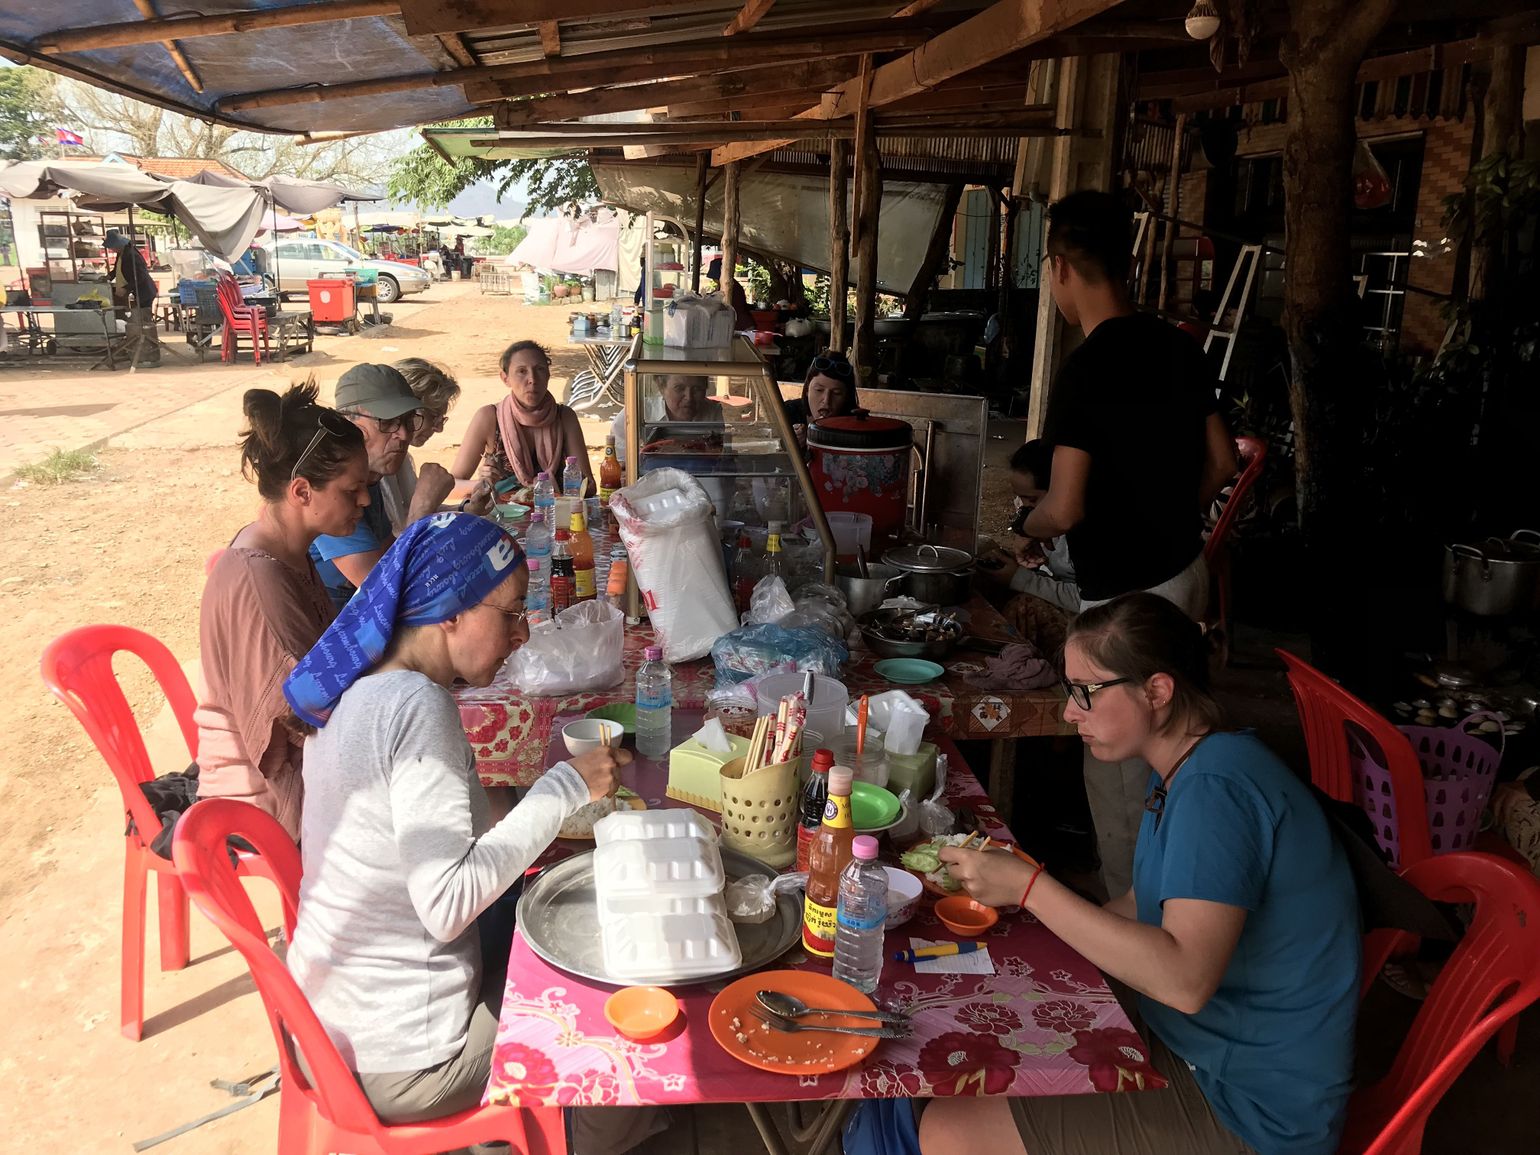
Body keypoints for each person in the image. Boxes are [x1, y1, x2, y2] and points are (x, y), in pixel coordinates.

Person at [921, 593, 1360, 1155]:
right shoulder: (1186, 764)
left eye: (1086, 691)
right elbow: (1138, 905)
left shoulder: (1216, 790)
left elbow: (1183, 981)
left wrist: (1030, 889)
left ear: (1157, 691)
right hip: (1190, 1039)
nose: (1070, 711)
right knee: (978, 1033)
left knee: (952, 1129)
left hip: (1248, 1100)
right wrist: (1021, 930)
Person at [283, 514, 663, 1154]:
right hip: (406, 1060)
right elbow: (447, 903)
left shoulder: (358, 683)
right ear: (450, 612)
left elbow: (426, 829)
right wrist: (563, 789)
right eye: (510, 613)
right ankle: (583, 1139)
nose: (522, 634)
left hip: (335, 1026)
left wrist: (536, 799)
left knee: (543, 904)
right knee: (616, 978)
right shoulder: (417, 707)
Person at [1015, 191, 1239, 896]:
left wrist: (1021, 530)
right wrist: (1168, 514)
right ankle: (1180, 893)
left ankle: (1136, 926)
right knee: (1176, 754)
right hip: (1187, 574)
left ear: (1060, 267)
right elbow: (1224, 462)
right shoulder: (1180, 347)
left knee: (1119, 778)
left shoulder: (1086, 368)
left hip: (1126, 605)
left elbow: (1065, 505)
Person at [193, 381, 371, 839]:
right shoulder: (260, 578)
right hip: (256, 803)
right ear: (302, 491)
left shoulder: (287, 550)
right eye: (353, 490)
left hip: (294, 773)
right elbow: (301, 718)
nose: (365, 501)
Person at [309, 364, 457, 609]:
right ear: (349, 423)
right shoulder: (328, 487)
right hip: (331, 618)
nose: (404, 434)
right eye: (387, 422)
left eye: (408, 421)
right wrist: (422, 508)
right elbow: (383, 594)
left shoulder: (372, 478)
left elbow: (389, 555)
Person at [451, 340, 593, 493]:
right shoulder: (489, 417)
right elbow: (451, 486)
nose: (532, 379)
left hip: (552, 507)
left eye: (540, 369)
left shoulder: (564, 417)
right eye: (522, 371)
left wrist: (576, 485)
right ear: (505, 378)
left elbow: (588, 485)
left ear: (548, 375)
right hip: (501, 508)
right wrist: (482, 484)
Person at [377, 358, 489, 533]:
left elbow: (416, 513)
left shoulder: (402, 457)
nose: (439, 428)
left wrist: (466, 509)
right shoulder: (374, 467)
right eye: (434, 417)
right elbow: (405, 532)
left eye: (442, 419)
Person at [104, 229, 160, 367]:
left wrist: (126, 288)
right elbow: (117, 270)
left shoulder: (132, 255)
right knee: (139, 319)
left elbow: (140, 276)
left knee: (144, 320)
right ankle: (140, 349)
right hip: (137, 291)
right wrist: (108, 277)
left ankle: (147, 350)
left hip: (145, 291)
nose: (112, 249)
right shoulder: (122, 254)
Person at [783, 348, 861, 437]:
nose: (826, 401)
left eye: (836, 393)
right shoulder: (786, 413)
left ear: (847, 396)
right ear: (807, 389)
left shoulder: (857, 425)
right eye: (819, 390)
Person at [706, 254, 754, 330]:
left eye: (714, 278)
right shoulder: (724, 286)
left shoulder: (729, 287)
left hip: (742, 326)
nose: (714, 280)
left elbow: (720, 303)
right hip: (739, 325)